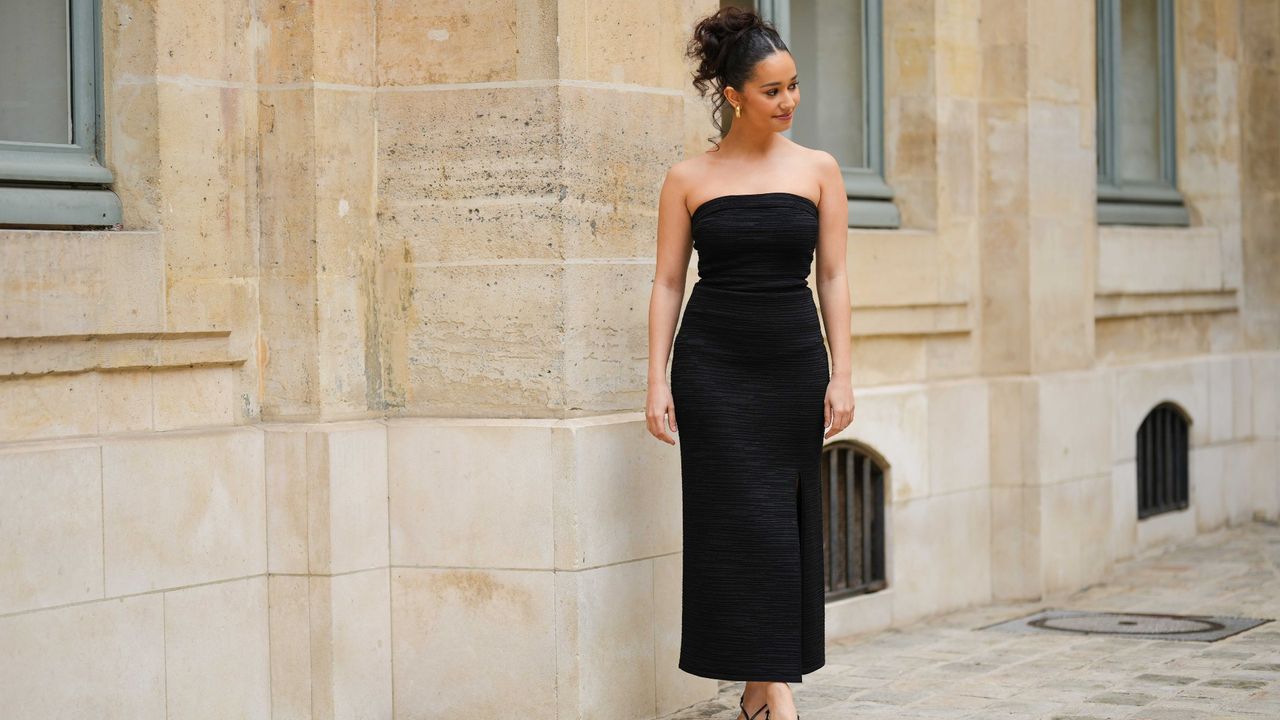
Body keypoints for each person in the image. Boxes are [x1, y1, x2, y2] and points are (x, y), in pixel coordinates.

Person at [645, 6, 855, 720]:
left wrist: (843, 372)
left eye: (793, 85)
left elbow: (832, 277)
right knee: (729, 524)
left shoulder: (819, 170)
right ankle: (767, 687)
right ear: (733, 95)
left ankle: (765, 685)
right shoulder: (687, 178)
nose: (790, 100)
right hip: (712, 365)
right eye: (773, 90)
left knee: (780, 522)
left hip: (792, 362)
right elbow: (668, 282)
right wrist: (656, 381)